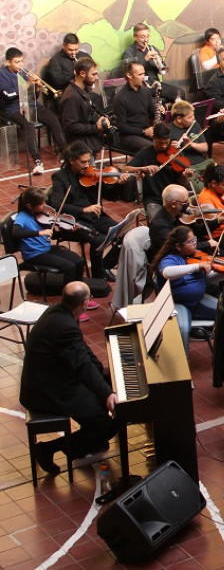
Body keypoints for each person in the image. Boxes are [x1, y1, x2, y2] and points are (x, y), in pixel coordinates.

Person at [20, 282, 117, 475]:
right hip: (47, 391)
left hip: (53, 378)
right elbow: (81, 366)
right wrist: (107, 394)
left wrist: (106, 376)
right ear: (84, 303)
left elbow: (82, 353)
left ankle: (89, 439)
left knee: (103, 385)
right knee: (105, 426)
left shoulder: (60, 312)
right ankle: (48, 449)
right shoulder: (65, 326)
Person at [49, 142, 126, 280]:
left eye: (88, 161)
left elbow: (112, 196)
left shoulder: (92, 175)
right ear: (72, 161)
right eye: (82, 162)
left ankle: (105, 265)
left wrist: (119, 185)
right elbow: (56, 204)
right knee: (100, 240)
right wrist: (83, 209)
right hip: (75, 221)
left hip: (95, 217)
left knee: (123, 234)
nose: (87, 165)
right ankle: (98, 276)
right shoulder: (60, 177)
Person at [152, 226, 219, 351]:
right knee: (182, 328)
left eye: (195, 240)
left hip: (197, 301)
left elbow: (209, 278)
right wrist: (196, 267)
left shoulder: (193, 257)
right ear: (178, 246)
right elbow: (167, 272)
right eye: (191, 242)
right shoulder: (170, 259)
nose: (195, 244)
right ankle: (181, 363)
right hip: (177, 303)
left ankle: (222, 355)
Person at [0, 47, 65, 174]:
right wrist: (28, 84)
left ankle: (64, 153)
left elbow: (33, 97)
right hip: (13, 108)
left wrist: (36, 87)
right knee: (29, 124)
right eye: (17, 62)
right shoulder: (2, 75)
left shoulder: (24, 73)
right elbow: (8, 95)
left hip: (31, 105)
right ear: (8, 62)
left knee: (53, 118)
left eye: (21, 61)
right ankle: (37, 160)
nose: (20, 65)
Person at [12, 187, 87, 285]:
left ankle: (78, 291)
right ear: (29, 206)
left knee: (80, 261)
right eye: (41, 204)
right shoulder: (22, 217)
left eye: (44, 202)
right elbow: (15, 233)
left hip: (47, 249)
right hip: (34, 254)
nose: (45, 206)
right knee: (69, 267)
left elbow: (54, 235)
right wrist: (40, 232)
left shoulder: (41, 215)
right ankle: (68, 296)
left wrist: (69, 231)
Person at [112, 61, 158, 151]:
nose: (143, 77)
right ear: (129, 75)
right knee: (152, 148)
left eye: (144, 74)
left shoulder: (146, 92)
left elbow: (152, 114)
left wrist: (159, 111)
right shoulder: (120, 98)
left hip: (146, 131)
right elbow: (121, 126)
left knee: (168, 141)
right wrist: (144, 132)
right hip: (129, 136)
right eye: (140, 74)